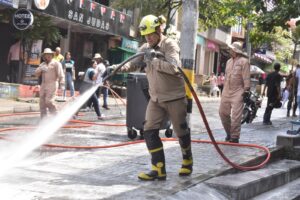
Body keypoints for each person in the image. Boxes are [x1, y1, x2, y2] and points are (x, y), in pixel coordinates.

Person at [113, 15, 192, 180]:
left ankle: (187, 160)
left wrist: (154, 61)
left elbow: (175, 68)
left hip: (174, 97)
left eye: (151, 34)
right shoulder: (145, 47)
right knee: (149, 131)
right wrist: (117, 68)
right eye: (146, 35)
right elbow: (133, 63)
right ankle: (158, 168)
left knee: (181, 131)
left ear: (158, 30)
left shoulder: (169, 44)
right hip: (155, 99)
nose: (148, 38)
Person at [219, 41, 250, 143]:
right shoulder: (228, 62)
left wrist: (246, 91)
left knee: (236, 116)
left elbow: (246, 78)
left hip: (238, 91)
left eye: (231, 49)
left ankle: (235, 137)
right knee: (222, 113)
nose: (229, 50)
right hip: (226, 90)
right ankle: (229, 133)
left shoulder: (244, 61)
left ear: (236, 50)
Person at [35, 48, 65, 118]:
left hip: (52, 84)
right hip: (43, 85)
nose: (48, 56)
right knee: (42, 103)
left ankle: (55, 115)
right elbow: (36, 74)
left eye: (49, 55)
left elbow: (61, 74)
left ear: (52, 55)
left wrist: (62, 84)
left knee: (49, 101)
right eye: (46, 55)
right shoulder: (43, 64)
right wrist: (41, 69)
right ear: (44, 56)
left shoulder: (56, 63)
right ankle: (43, 120)